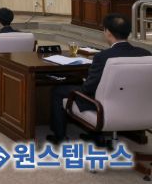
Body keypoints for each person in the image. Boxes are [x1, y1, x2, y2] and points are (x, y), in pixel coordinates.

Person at [47, 13, 150, 144]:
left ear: (108, 32)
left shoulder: (103, 57)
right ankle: (95, 136)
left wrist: (83, 80)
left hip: (105, 108)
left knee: (58, 90)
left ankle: (60, 137)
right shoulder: (145, 54)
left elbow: (88, 88)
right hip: (139, 106)